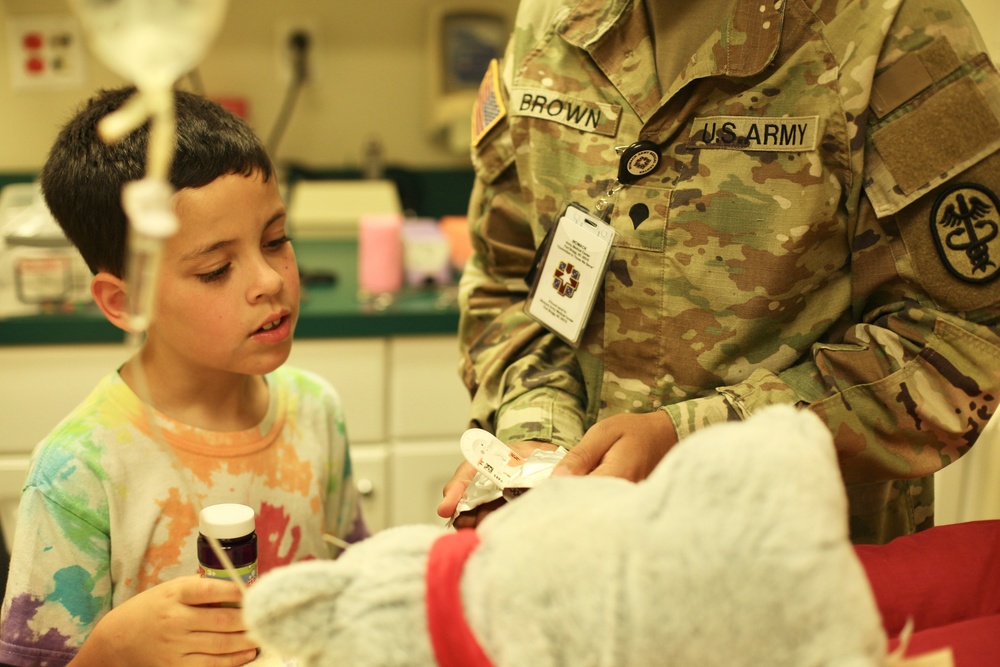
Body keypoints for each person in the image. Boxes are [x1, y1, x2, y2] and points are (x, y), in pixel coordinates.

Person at [438, 0, 1000, 542]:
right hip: (575, 563)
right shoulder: (550, 19)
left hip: (799, 572)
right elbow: (509, 279)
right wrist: (539, 445)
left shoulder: (890, 23)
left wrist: (694, 439)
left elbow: (962, 343)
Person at [0, 87, 369, 667]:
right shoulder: (78, 474)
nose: (268, 281)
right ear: (124, 302)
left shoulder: (315, 410)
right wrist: (114, 649)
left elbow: (353, 586)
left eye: (276, 240)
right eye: (217, 269)